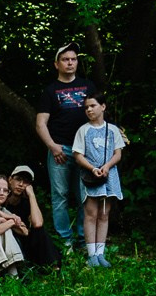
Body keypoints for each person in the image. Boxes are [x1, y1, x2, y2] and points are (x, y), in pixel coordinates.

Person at [31, 45, 103, 245]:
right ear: (57, 64)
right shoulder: (50, 91)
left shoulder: (88, 86)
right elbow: (40, 124)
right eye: (65, 59)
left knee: (85, 195)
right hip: (60, 150)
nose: (70, 62)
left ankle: (84, 237)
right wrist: (53, 146)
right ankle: (65, 240)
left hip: (86, 150)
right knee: (60, 196)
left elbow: (99, 115)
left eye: (73, 59)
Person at [73, 96, 125, 265]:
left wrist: (107, 166)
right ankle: (91, 255)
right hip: (90, 176)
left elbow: (118, 153)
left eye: (93, 106)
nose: (89, 109)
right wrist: (92, 168)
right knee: (91, 214)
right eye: (86, 107)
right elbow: (78, 155)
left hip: (108, 175)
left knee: (104, 214)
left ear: (103, 106)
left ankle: (101, 254)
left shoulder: (113, 130)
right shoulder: (83, 130)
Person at [1, 166, 62, 270]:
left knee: (40, 231)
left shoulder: (27, 203)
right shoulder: (1, 198)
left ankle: (53, 268)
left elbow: (38, 224)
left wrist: (31, 195)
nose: (21, 184)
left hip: (26, 242)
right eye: (18, 179)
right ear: (10, 179)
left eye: (25, 182)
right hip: (7, 240)